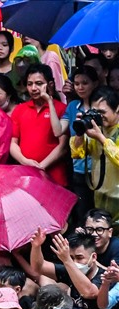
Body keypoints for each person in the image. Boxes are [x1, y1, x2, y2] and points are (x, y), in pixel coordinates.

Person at [10, 64, 69, 186]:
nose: (33, 88)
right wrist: (24, 161)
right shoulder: (19, 110)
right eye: (29, 84)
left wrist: (41, 167)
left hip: (55, 177)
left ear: (50, 84)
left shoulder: (61, 109)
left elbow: (63, 147)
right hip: (26, 175)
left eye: (39, 83)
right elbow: (12, 143)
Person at [70, 87, 119, 217]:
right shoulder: (96, 129)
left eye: (102, 112)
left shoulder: (101, 133)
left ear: (117, 109)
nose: (98, 117)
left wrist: (101, 139)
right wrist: (80, 132)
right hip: (100, 194)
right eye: (94, 112)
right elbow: (76, 153)